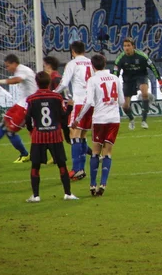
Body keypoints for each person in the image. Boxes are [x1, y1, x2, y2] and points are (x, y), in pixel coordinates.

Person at [73, 54, 124, 197]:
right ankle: (103, 184)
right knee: (107, 151)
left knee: (95, 151)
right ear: (105, 63)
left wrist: (78, 118)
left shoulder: (92, 80)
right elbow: (121, 101)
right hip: (114, 119)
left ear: (92, 66)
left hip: (100, 119)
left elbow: (89, 102)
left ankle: (92, 185)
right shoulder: (115, 78)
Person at [24, 71, 78, 202]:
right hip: (55, 135)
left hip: (38, 137)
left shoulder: (31, 99)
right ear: (49, 83)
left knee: (35, 166)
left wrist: (31, 130)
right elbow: (63, 117)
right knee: (62, 165)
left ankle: (36, 196)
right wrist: (70, 108)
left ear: (37, 83)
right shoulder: (57, 97)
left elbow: (27, 117)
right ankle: (68, 194)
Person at [0, 54, 35, 163]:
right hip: (21, 103)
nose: (7, 69)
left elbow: (17, 80)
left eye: (8, 66)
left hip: (28, 105)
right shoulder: (21, 70)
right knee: (5, 122)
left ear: (14, 64)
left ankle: (25, 154)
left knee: (10, 131)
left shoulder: (23, 70)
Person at [53, 41, 92, 181]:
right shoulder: (90, 62)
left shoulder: (72, 63)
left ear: (72, 52)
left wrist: (52, 93)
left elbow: (63, 83)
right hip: (91, 103)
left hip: (80, 102)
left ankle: (76, 169)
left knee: (74, 135)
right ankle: (81, 169)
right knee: (82, 135)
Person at [113, 37, 162, 130]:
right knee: (125, 105)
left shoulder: (142, 56)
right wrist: (113, 87)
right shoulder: (120, 58)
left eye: (128, 46)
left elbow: (153, 67)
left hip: (141, 76)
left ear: (133, 46)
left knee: (144, 93)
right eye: (125, 46)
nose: (126, 48)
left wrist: (160, 82)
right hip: (128, 80)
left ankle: (144, 121)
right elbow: (115, 74)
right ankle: (131, 119)